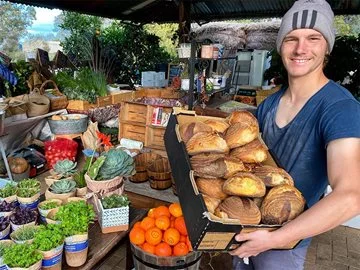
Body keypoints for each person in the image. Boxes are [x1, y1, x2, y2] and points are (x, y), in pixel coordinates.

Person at [230, 0, 360, 269]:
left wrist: (274, 239)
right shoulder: (269, 105)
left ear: (327, 47)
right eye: (291, 39)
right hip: (246, 230)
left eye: (313, 38)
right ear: (280, 46)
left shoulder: (339, 108)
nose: (301, 49)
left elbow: (351, 196)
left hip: (285, 247)